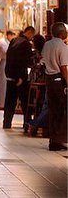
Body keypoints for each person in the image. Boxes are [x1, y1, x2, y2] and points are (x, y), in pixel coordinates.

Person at [41, 23, 68, 151]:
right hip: (58, 79)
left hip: (49, 79)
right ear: (63, 33)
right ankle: (59, 139)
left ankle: (53, 140)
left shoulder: (47, 44)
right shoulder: (62, 46)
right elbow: (63, 67)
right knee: (62, 109)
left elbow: (43, 61)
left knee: (53, 109)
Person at [3, 26, 35, 129]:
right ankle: (26, 123)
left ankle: (7, 123)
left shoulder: (14, 41)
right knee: (24, 100)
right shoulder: (25, 44)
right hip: (20, 76)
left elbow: (9, 57)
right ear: (29, 33)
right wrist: (21, 76)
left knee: (9, 100)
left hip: (10, 74)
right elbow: (23, 61)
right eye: (32, 35)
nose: (32, 38)